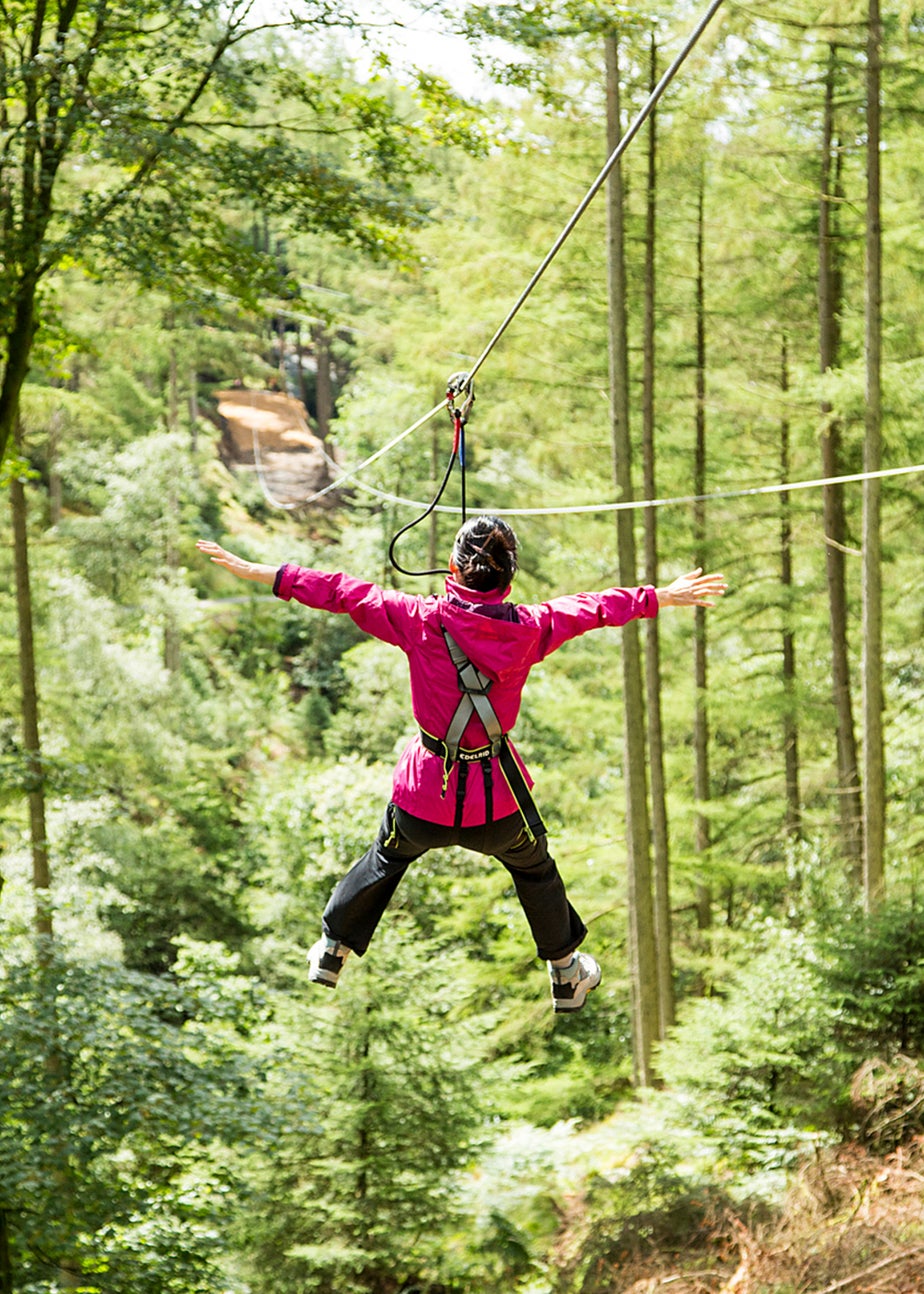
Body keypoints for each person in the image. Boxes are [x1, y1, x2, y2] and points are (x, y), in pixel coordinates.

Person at [197, 517, 726, 1013]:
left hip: (424, 800)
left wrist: (266, 573)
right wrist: (661, 596)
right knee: (534, 868)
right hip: (497, 806)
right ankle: (566, 972)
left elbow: (341, 590)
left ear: (453, 570)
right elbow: (593, 606)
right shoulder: (532, 627)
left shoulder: (418, 618)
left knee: (386, 856)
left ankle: (333, 948)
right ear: (510, 577)